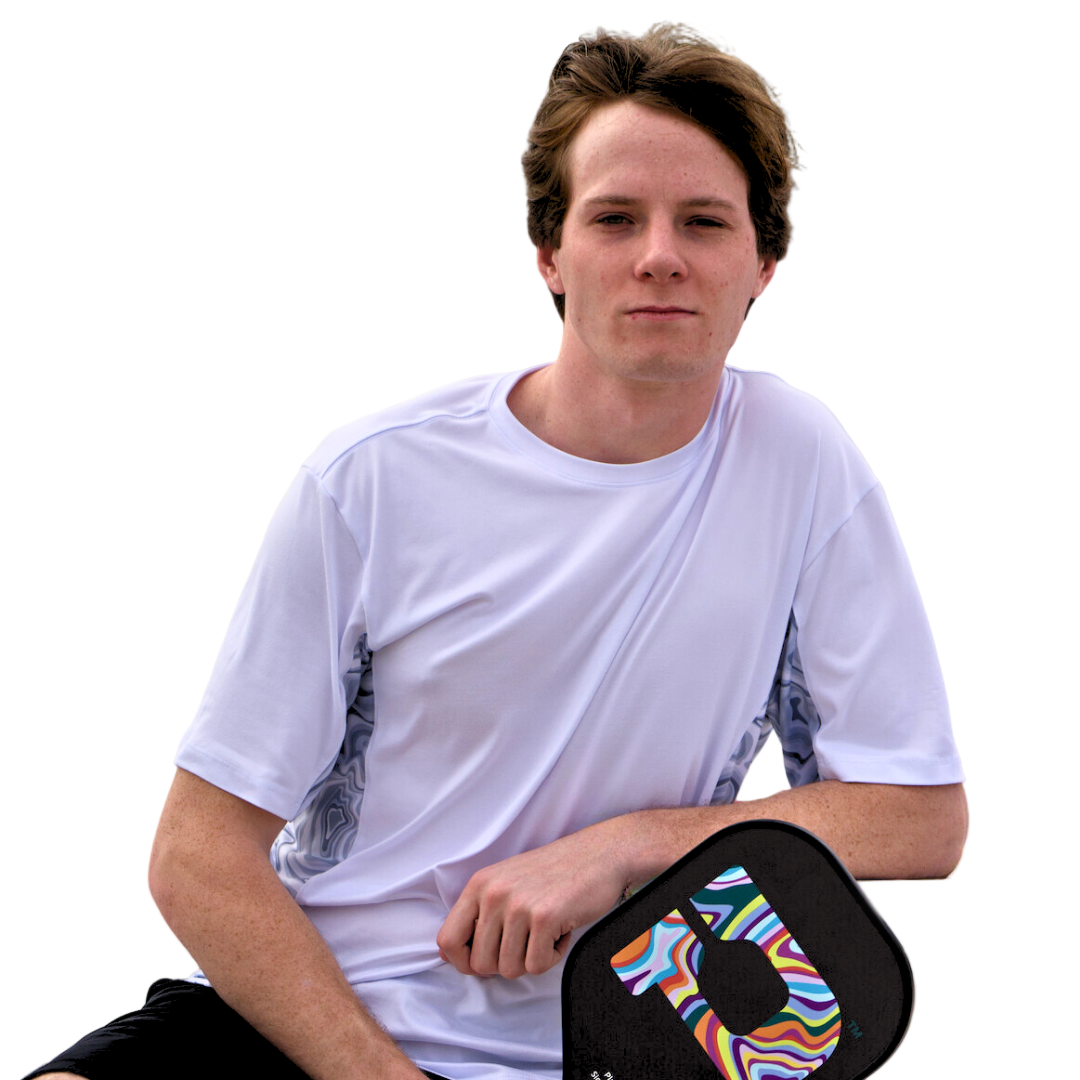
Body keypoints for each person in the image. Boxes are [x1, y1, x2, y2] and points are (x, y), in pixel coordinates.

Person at [27, 22, 966, 1080]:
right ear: (551, 253)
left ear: (763, 264)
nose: (660, 253)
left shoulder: (801, 465)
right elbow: (198, 856)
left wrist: (626, 848)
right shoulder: (376, 480)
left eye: (703, 220)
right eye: (616, 217)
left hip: (610, 1047)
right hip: (310, 1023)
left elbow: (921, 818)